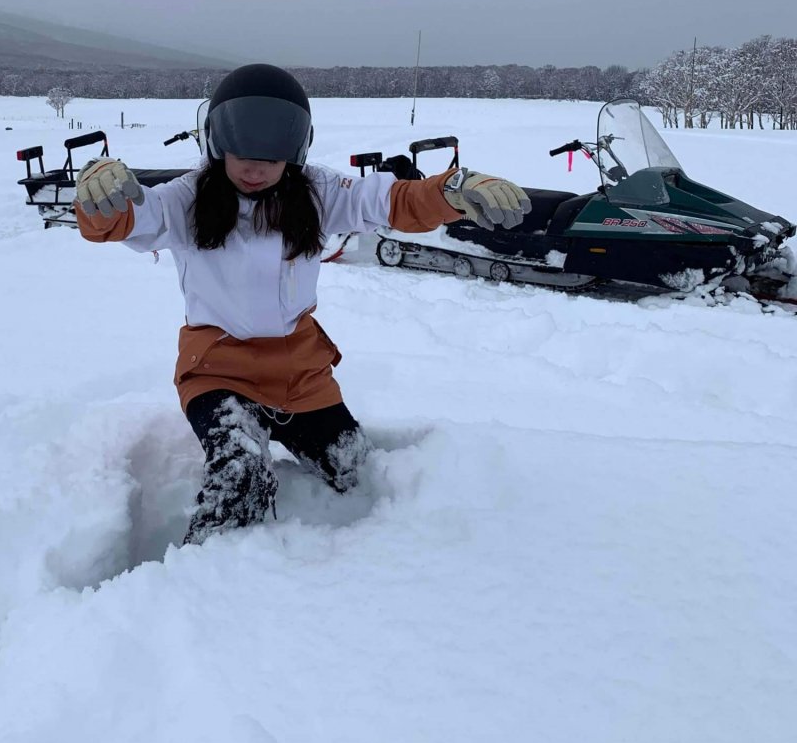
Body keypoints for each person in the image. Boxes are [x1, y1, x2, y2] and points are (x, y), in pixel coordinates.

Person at [74, 63, 530, 544]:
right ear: (216, 144)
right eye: (243, 155)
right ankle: (207, 586)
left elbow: (390, 200)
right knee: (241, 473)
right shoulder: (185, 199)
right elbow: (125, 218)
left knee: (354, 468)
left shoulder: (318, 192)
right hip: (217, 370)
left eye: (271, 158)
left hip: (300, 372)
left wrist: (451, 191)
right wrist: (98, 194)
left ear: (295, 152)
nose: (255, 169)